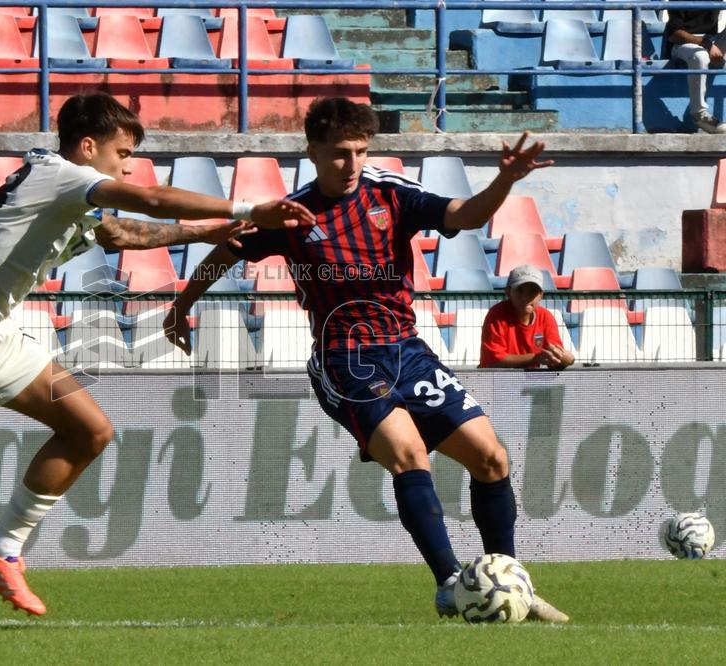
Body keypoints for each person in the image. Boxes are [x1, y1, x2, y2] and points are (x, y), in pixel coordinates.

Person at [0, 92, 315, 626]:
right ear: (88, 146)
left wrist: (208, 231)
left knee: (89, 430)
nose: (127, 164)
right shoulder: (63, 175)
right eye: (122, 152)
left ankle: (2, 549)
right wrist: (249, 208)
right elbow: (151, 202)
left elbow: (120, 233)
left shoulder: (63, 190)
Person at [163, 97, 569, 622]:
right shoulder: (291, 214)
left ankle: (505, 585)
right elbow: (226, 252)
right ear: (312, 151)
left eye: (360, 151)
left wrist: (504, 182)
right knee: (409, 456)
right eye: (339, 154)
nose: (352, 163)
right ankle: (450, 585)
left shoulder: (390, 195)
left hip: (408, 351)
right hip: (344, 360)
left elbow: (464, 216)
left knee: (492, 459)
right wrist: (180, 308)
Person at [479, 264, 575, 369]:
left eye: (532, 292)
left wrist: (567, 359)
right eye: (520, 291)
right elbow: (494, 362)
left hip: (530, 381)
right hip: (495, 381)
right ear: (508, 292)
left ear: (540, 295)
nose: (525, 297)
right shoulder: (496, 315)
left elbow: (554, 358)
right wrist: (536, 358)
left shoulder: (546, 317)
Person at [665, 1, 726, 133]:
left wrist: (717, 47)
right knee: (700, 56)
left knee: (704, 53)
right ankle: (700, 115)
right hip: (684, 44)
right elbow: (674, 35)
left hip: (711, 41)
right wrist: (707, 45)